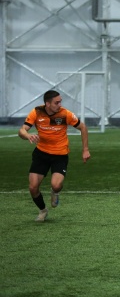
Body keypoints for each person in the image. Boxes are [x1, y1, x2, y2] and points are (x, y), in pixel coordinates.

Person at [18, 90, 91, 222]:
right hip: (41, 153)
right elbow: (22, 131)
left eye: (60, 102)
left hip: (60, 154)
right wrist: (28, 135)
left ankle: (55, 192)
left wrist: (85, 149)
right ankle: (43, 210)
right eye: (56, 103)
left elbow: (83, 127)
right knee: (33, 187)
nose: (60, 105)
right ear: (47, 104)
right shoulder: (37, 112)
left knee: (56, 185)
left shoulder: (65, 114)